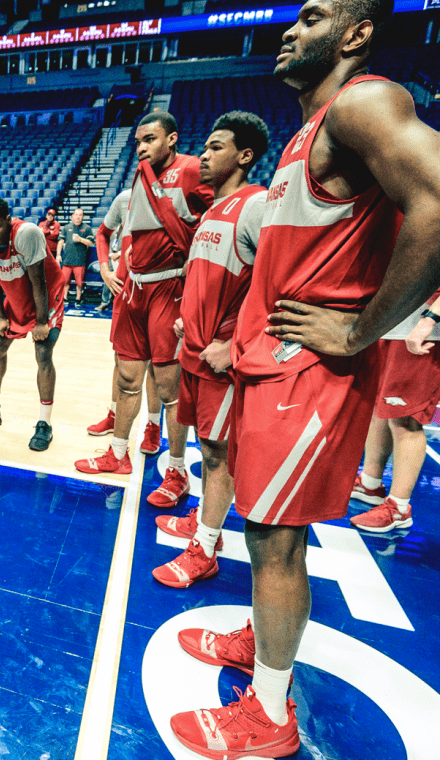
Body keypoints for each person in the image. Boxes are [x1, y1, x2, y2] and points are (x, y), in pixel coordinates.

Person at [170, 2, 440, 757]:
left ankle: (269, 715)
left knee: (275, 539)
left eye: (314, 16)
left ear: (356, 34)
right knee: (267, 534)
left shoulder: (364, 102)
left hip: (311, 374)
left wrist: (360, 330)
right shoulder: (309, 132)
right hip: (275, 366)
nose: (291, 28)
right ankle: (261, 641)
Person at [152, 111, 270, 589]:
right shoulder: (210, 212)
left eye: (215, 147)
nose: (202, 155)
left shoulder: (255, 205)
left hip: (222, 361)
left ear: (245, 156)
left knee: (218, 454)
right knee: (207, 446)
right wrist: (188, 316)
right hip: (195, 351)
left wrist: (236, 344)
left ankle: (205, 550)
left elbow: (276, 285)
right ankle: (207, 521)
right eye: (203, 147)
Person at [75, 111, 213, 515]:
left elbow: (218, 217)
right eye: (138, 141)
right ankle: (119, 453)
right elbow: (115, 233)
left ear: (172, 138)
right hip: (134, 288)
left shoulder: (191, 169)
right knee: (127, 377)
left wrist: (196, 269)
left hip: (169, 287)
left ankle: (177, 471)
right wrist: (108, 268)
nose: (141, 147)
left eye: (149, 139)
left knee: (170, 389)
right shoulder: (139, 175)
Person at [0, 195, 64, 451]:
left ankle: (44, 423)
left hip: (47, 294)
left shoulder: (26, 234)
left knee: (43, 352)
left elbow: (39, 282)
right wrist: (0, 316)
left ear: (8, 220)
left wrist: (41, 322)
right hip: (17, 292)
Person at [348, 289, 440, 532]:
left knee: (405, 417)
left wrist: (431, 319)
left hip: (424, 331)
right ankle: (370, 484)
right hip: (394, 324)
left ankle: (399, 508)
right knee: (380, 408)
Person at [86, 188, 162, 451]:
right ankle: (114, 415)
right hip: (124, 291)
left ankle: (153, 426)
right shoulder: (124, 198)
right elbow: (102, 234)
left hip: (158, 293)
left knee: (155, 365)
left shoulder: (175, 195)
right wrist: (105, 270)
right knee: (120, 360)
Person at [55, 207, 93, 305]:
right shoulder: (66, 227)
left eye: (80, 215)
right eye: (76, 215)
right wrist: (58, 255)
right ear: (72, 216)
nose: (78, 217)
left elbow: (91, 242)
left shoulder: (87, 228)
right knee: (65, 281)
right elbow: (60, 241)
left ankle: (78, 299)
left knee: (79, 282)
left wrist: (81, 239)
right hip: (67, 260)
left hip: (80, 261)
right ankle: (65, 298)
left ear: (83, 217)